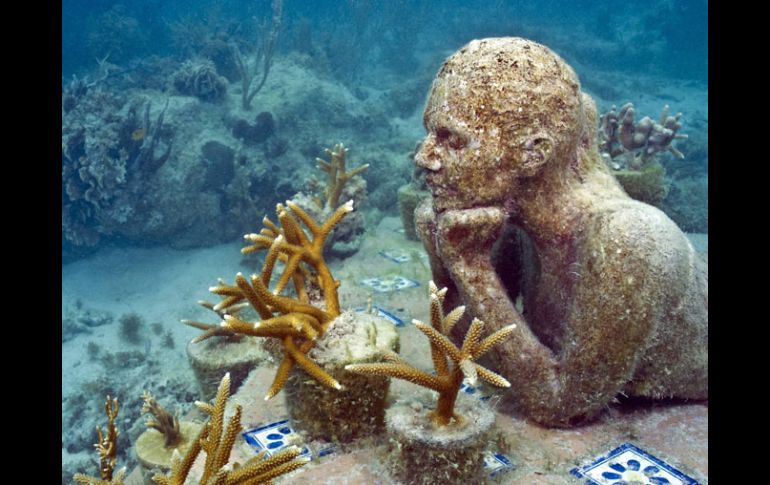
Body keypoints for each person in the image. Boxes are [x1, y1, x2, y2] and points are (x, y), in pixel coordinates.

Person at [413, 37, 707, 427]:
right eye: (430, 134)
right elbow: (479, 358)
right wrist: (443, 258)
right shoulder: (511, 217)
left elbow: (563, 406)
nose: (424, 156)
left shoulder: (626, 239)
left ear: (533, 154)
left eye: (452, 140)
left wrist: (470, 266)